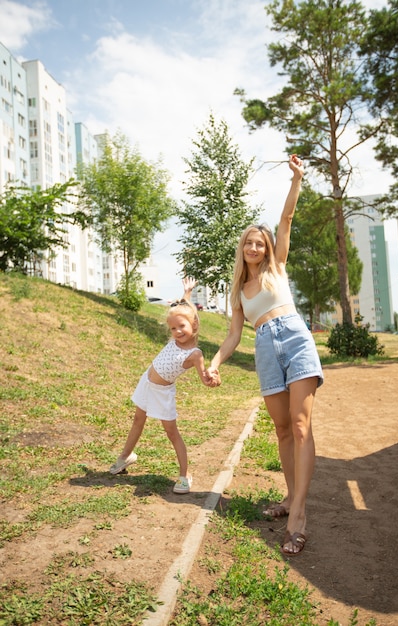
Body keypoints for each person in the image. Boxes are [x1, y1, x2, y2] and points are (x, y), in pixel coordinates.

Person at [206, 155, 323, 555]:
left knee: (302, 424)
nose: (254, 246)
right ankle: (291, 497)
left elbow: (287, 218)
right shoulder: (238, 292)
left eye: (260, 242)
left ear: (267, 248)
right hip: (264, 350)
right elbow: (232, 336)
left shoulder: (278, 269)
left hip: (293, 337)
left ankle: (299, 516)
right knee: (283, 430)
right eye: (248, 242)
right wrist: (215, 363)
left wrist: (297, 179)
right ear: (242, 249)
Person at [109, 277, 220, 494]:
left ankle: (184, 475)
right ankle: (125, 457)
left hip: (162, 393)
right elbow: (183, 310)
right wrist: (187, 293)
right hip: (146, 382)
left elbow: (203, 377)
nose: (177, 331)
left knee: (172, 433)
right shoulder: (175, 340)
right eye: (173, 328)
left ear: (194, 325)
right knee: (137, 421)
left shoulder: (194, 354)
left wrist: (211, 378)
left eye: (182, 327)